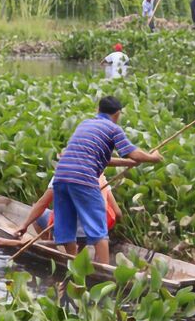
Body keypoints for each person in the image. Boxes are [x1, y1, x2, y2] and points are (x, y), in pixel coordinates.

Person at [52, 96, 163, 264]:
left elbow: (100, 157)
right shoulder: (113, 128)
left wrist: (128, 163)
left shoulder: (85, 124)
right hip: (84, 178)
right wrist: (152, 158)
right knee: (99, 230)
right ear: (118, 114)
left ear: (98, 110)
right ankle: (104, 274)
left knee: (67, 228)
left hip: (61, 177)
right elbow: (132, 152)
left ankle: (71, 265)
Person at [12, 173, 126, 242]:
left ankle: (53, 251)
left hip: (71, 231)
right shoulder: (100, 176)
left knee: (38, 213)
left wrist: (24, 225)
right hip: (96, 232)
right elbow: (117, 213)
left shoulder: (63, 173)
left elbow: (42, 204)